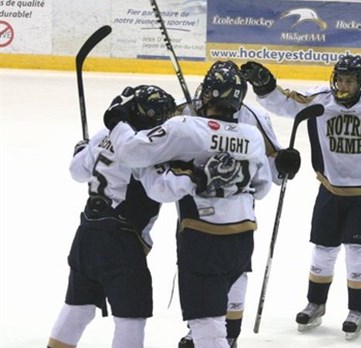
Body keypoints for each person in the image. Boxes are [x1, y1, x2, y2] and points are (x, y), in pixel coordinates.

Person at [103, 66, 289, 348]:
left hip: (203, 239)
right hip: (242, 238)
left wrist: (118, 123)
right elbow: (262, 187)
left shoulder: (185, 128)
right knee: (218, 320)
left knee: (206, 325)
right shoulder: (251, 135)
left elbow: (132, 152)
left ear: (207, 94)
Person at [240, 55, 361, 340]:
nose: (342, 85)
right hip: (329, 189)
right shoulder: (320, 99)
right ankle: (316, 303)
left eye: (350, 80)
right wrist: (265, 85)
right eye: (339, 78)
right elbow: (285, 103)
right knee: (323, 250)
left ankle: (358, 309)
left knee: (357, 252)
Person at [174, 60, 299, 348]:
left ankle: (228, 333)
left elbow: (274, 168)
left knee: (236, 271)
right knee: (195, 268)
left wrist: (285, 163)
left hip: (236, 209)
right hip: (194, 210)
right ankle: (201, 328)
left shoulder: (253, 117)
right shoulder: (187, 110)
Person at [47, 85, 177, 348]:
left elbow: (77, 171)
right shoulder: (145, 147)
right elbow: (161, 190)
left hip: (86, 234)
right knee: (131, 317)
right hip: (121, 241)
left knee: (78, 307)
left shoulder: (104, 134)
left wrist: (81, 149)